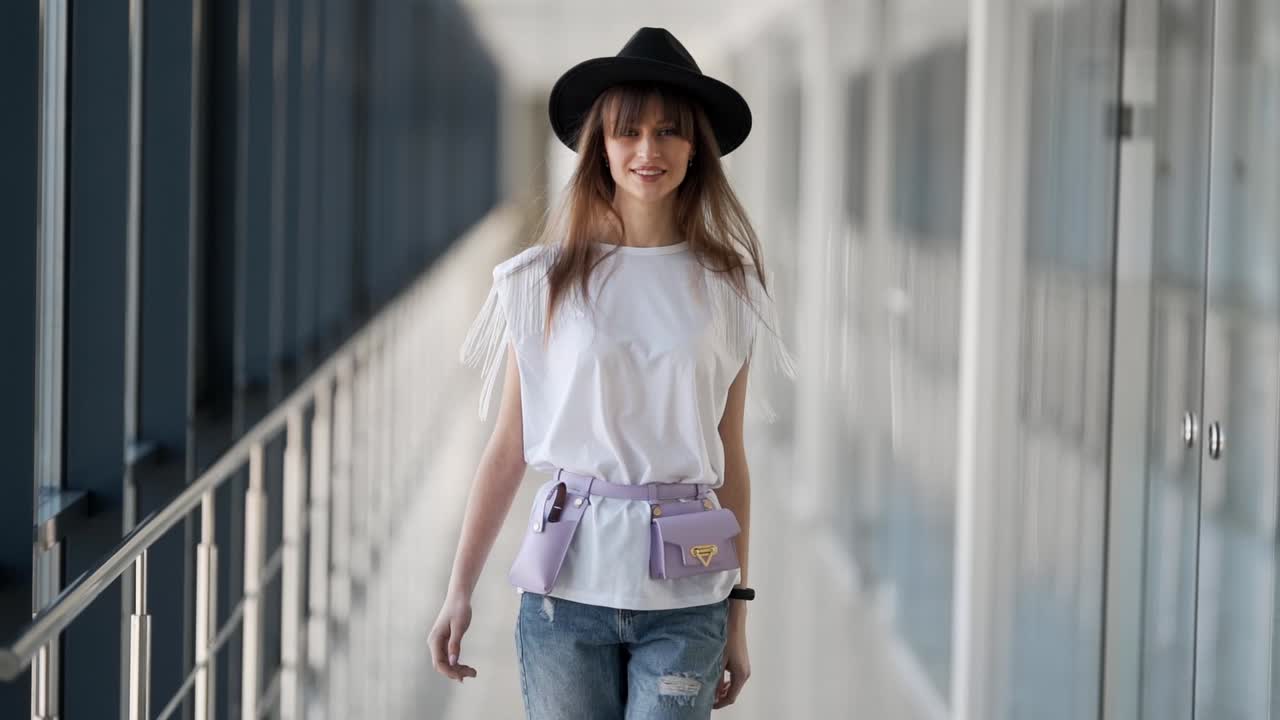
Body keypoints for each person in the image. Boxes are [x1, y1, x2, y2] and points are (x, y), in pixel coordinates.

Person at [428, 26, 796, 719]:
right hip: (566, 593)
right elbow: (508, 447)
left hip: (687, 601)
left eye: (668, 132)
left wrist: (739, 616)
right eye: (628, 132)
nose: (648, 151)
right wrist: (459, 589)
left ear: (696, 148)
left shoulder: (732, 287)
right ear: (600, 144)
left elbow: (730, 459)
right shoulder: (542, 280)